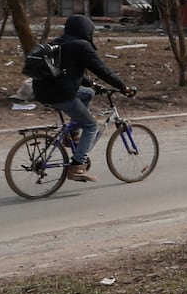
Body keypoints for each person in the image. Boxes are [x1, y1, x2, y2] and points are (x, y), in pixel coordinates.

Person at [32, 14, 134, 183]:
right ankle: (77, 166)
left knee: (88, 93)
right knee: (91, 125)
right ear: (86, 30)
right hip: (61, 93)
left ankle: (71, 133)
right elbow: (103, 71)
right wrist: (123, 87)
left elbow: (73, 71)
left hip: (42, 91)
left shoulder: (59, 43)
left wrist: (94, 86)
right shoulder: (81, 46)